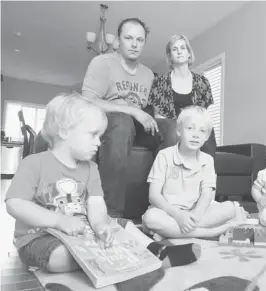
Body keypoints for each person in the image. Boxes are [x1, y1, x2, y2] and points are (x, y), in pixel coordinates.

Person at [4, 93, 201, 273]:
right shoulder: (34, 163)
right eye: (93, 135)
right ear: (64, 131)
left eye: (100, 136)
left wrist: (99, 225)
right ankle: (118, 258)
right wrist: (59, 221)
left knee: (124, 226)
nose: (99, 142)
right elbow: (15, 204)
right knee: (60, 257)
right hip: (39, 237)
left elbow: (96, 204)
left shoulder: (91, 168)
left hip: (85, 233)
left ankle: (156, 251)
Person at [81, 17, 159, 218]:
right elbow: (87, 100)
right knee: (122, 122)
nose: (134, 44)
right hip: (110, 123)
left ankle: (169, 207)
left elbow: (152, 110)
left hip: (138, 126)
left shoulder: (149, 74)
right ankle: (110, 216)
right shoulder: (102, 62)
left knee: (169, 128)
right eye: (129, 38)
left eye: (140, 40)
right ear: (117, 40)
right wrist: (132, 111)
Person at [142, 106, 242, 239]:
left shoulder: (207, 160)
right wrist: (179, 216)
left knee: (230, 208)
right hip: (169, 212)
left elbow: (207, 194)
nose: (196, 135)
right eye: (190, 128)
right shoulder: (164, 155)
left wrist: (193, 217)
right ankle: (210, 233)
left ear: (206, 136)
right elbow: (153, 196)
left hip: (196, 213)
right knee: (151, 218)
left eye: (202, 131)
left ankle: (170, 232)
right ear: (179, 130)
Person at [148, 34, 217, 158]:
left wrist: (193, 129)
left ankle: (205, 175)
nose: (179, 51)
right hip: (170, 128)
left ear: (189, 53)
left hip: (194, 126)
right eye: (175, 49)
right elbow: (159, 117)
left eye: (183, 48)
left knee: (208, 131)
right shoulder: (160, 81)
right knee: (172, 130)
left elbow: (203, 114)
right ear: (170, 57)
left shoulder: (202, 82)